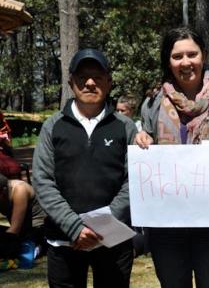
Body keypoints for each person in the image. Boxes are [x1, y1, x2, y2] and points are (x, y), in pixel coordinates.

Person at [134, 27, 209, 288]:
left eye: (192, 54)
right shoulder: (152, 103)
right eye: (177, 56)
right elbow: (145, 147)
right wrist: (141, 141)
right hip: (167, 229)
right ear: (168, 61)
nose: (185, 62)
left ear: (204, 55)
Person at [32, 49, 137, 287]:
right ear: (71, 83)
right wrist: (75, 227)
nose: (90, 83)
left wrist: (103, 226)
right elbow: (42, 180)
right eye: (82, 77)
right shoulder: (52, 126)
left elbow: (133, 181)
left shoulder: (126, 127)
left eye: (97, 77)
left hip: (114, 241)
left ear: (109, 83)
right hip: (63, 240)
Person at [0, 173, 45, 263]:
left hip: (36, 230)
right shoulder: (3, 193)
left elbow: (14, 229)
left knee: (8, 245)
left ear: (3, 191)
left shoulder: (20, 189)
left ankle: (40, 247)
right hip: (20, 232)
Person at [0, 110, 22, 179]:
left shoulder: (3, 125)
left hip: (4, 153)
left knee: (13, 168)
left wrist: (5, 140)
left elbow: (9, 143)